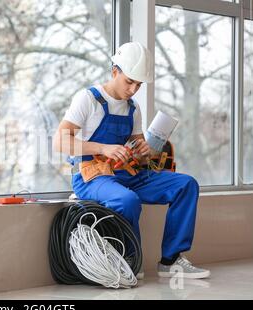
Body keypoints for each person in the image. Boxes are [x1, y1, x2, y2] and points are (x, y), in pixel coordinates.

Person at [53, 41, 210, 280]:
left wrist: (145, 150)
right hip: (91, 176)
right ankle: (129, 258)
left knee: (186, 184)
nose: (134, 89)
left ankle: (171, 260)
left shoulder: (133, 108)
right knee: (127, 200)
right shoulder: (88, 99)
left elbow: (139, 150)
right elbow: (59, 142)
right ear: (114, 71)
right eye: (129, 81)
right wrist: (103, 148)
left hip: (127, 174)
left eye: (139, 84)